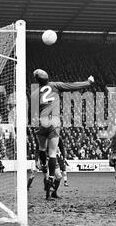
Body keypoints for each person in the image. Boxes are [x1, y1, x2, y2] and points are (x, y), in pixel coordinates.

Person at [32, 69, 94, 200]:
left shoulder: (35, 93)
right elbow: (72, 86)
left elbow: (31, 113)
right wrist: (88, 82)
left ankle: (44, 168)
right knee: (53, 153)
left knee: (42, 149)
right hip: (53, 122)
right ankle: (50, 178)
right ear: (47, 77)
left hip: (41, 122)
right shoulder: (55, 85)